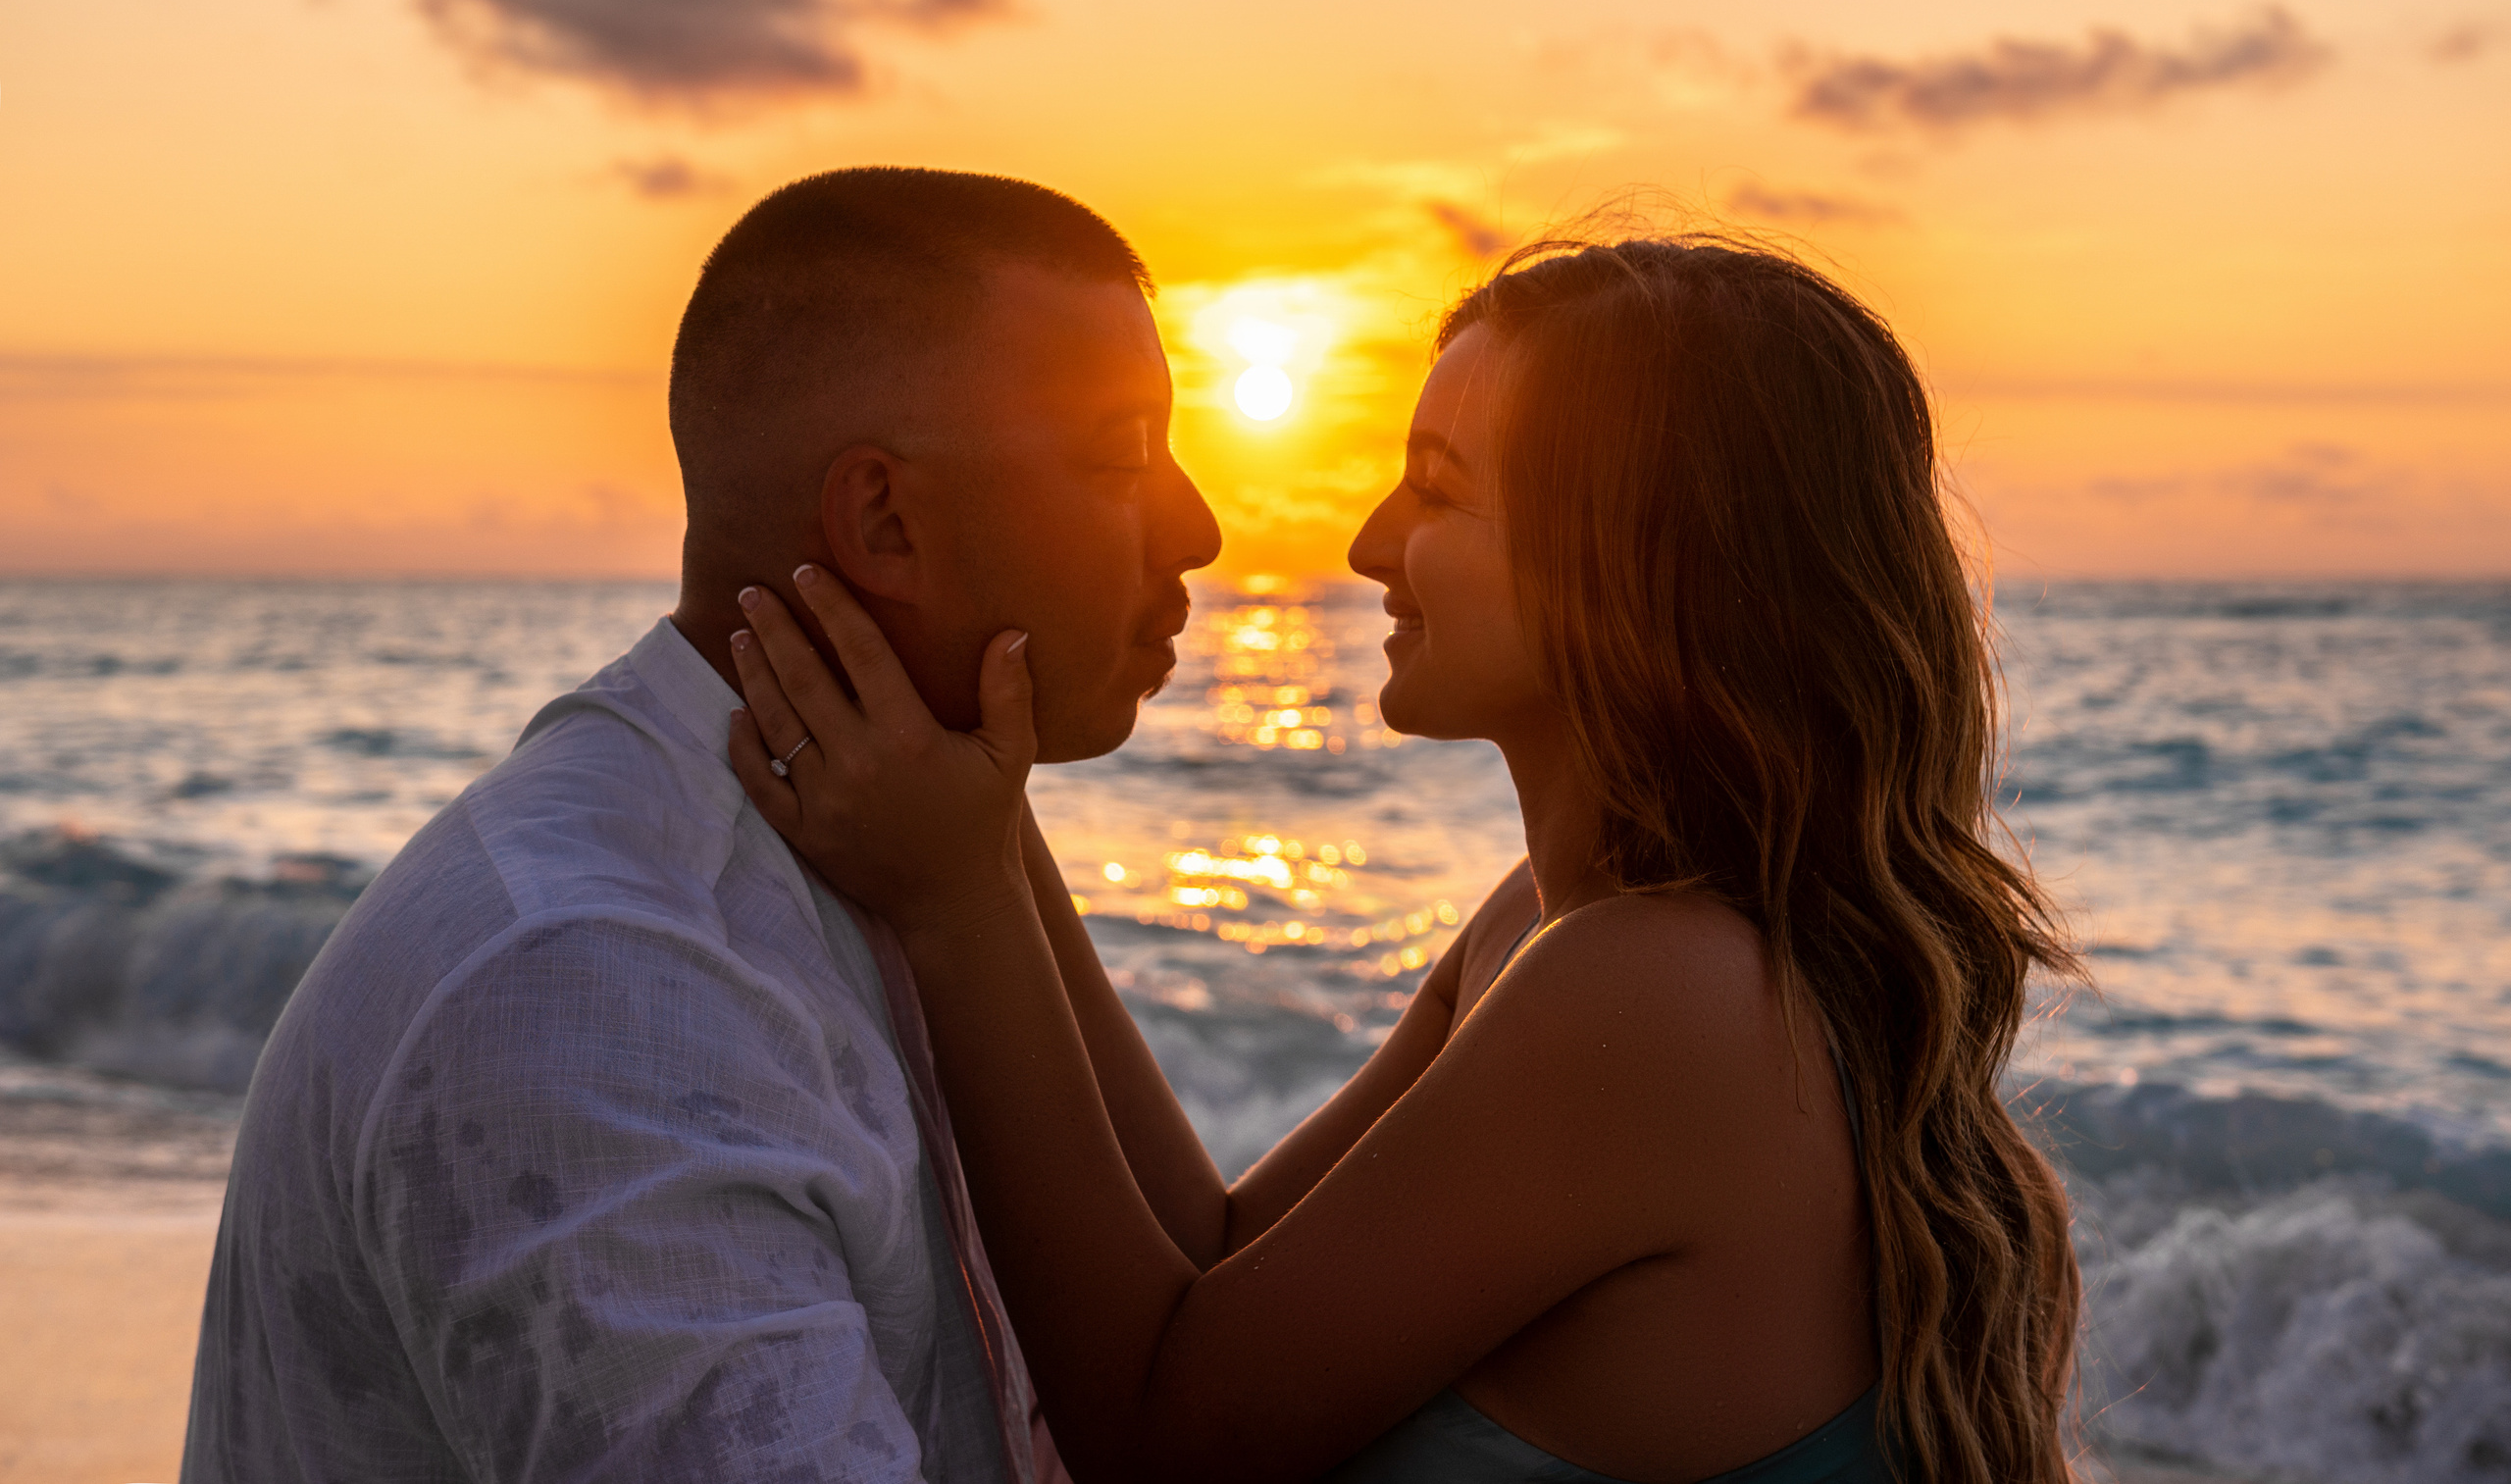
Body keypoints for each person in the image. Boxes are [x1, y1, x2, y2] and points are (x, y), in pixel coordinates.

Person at [726, 234, 2089, 1483]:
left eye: (1435, 492)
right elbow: (1216, 1252)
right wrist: (988, 810)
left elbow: (1164, 1443)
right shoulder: (1557, 935)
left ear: (1627, 563)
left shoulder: (1652, 995)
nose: (1371, 543)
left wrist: (958, 907)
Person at [179, 167, 1221, 1483]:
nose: (1201, 528)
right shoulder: (597, 986)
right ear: (885, 519)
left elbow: (1201, 1292)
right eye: (1123, 456)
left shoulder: (906, 853)